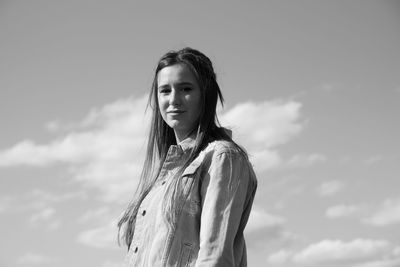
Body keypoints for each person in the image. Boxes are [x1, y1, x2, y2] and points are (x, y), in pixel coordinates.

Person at [118, 47, 257, 267]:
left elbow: (215, 257)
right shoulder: (161, 178)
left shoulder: (222, 157)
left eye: (185, 88)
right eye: (165, 90)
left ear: (206, 94)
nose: (174, 99)